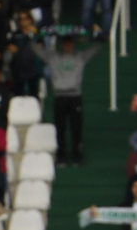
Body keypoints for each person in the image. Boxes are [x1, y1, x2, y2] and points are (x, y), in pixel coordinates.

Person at [38, 30, 100, 165]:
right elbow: (38, 51)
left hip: (75, 96)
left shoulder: (80, 56)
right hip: (59, 97)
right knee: (60, 128)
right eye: (65, 43)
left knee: (76, 127)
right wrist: (31, 37)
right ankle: (61, 156)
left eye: (70, 43)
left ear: (73, 44)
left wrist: (99, 38)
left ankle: (77, 155)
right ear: (62, 44)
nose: (67, 46)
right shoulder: (52, 57)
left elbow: (96, 49)